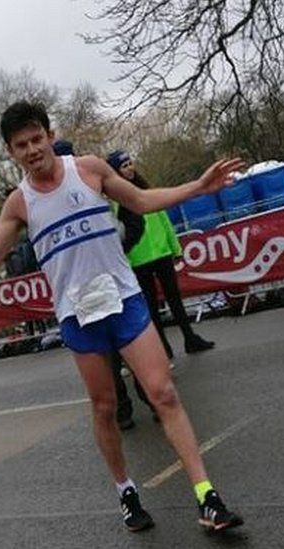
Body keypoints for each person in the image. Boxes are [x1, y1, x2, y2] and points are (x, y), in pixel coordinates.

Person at [0, 101, 245, 533]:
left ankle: (206, 496)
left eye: (37, 139)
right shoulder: (19, 204)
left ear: (49, 135)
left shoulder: (89, 169)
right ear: (10, 152)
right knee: (105, 407)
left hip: (123, 297)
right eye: (22, 145)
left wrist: (197, 188)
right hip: (79, 312)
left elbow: (143, 200)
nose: (33, 149)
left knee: (163, 392)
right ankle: (125, 491)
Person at [106, 149, 215, 430]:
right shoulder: (117, 198)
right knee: (150, 310)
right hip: (138, 260)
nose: (129, 168)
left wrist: (174, 245)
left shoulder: (144, 189)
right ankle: (161, 353)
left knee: (175, 299)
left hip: (161, 253)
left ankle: (190, 337)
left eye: (130, 163)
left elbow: (163, 218)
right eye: (123, 165)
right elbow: (123, 234)